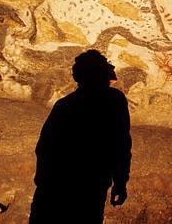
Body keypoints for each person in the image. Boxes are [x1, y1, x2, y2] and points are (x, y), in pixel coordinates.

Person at [29, 50, 132, 224]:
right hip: (89, 189)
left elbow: (44, 149)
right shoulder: (114, 101)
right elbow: (121, 146)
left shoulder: (65, 105)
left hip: (55, 190)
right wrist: (120, 182)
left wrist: (43, 185)